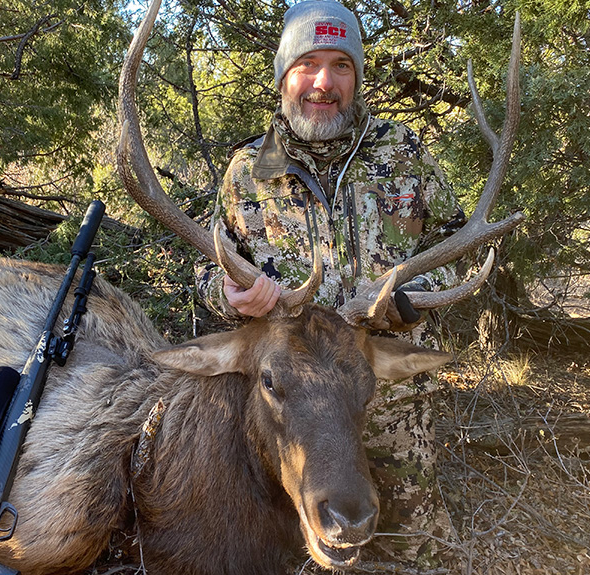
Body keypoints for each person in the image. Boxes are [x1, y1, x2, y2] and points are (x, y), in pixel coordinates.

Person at [196, 0, 467, 567]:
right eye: (308, 63)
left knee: (409, 548)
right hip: (288, 415)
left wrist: (411, 298)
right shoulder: (247, 170)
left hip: (388, 405)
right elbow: (205, 265)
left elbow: (458, 246)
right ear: (283, 77)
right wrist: (226, 294)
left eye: (341, 65)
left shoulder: (405, 153)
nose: (324, 81)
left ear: (357, 78)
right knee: (281, 548)